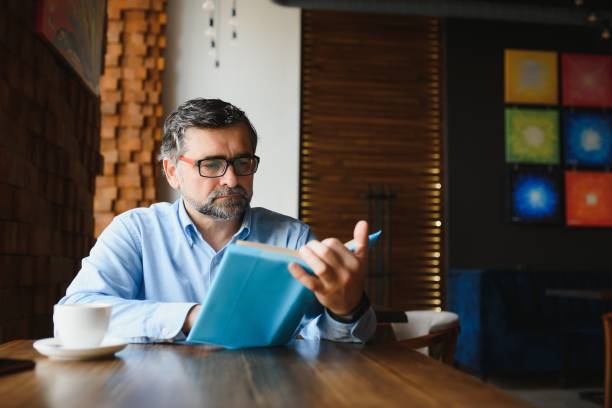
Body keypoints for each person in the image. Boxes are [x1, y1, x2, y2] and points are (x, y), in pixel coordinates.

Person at [58, 98, 376, 344]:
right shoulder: (136, 231)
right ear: (172, 172)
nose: (232, 179)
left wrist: (346, 310)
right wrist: (193, 317)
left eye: (242, 162)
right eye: (211, 165)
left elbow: (325, 343)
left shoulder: (292, 238)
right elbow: (74, 312)